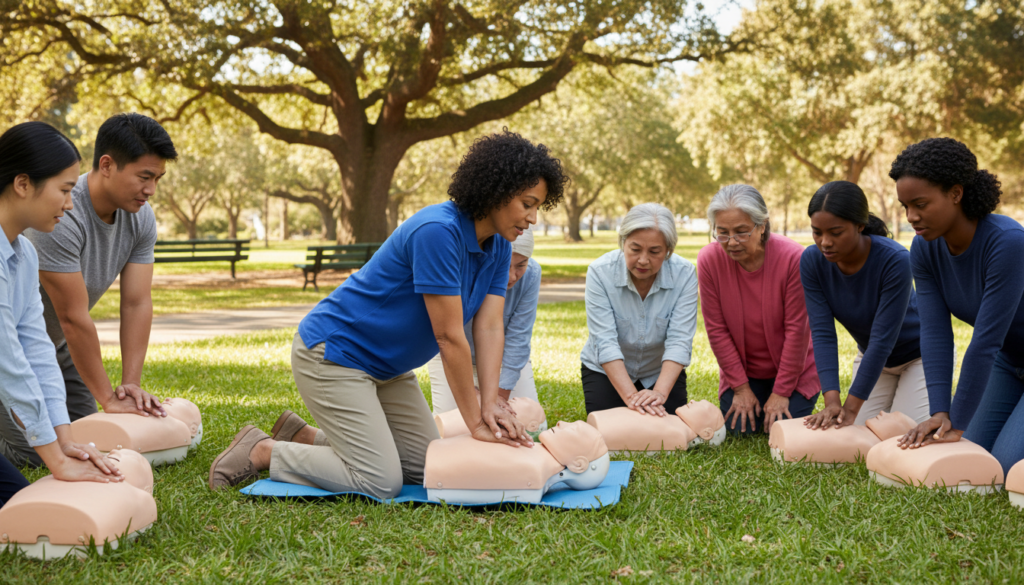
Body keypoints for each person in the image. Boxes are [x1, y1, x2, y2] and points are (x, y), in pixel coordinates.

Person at [208, 130, 568, 497]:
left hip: (389, 370)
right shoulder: (438, 232)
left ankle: (304, 436)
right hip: (334, 355)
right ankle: (265, 450)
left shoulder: (498, 247)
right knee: (380, 481)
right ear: (497, 190)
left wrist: (490, 402)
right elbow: (448, 337)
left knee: (424, 468)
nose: (533, 217)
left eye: (537, 206)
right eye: (527, 203)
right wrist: (475, 421)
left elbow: (490, 328)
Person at [7, 114, 178, 467]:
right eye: (144, 177)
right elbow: (70, 318)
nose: (151, 190)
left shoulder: (141, 218)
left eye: (157, 179)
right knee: (34, 452)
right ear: (107, 165)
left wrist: (129, 387)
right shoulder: (56, 220)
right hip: (16, 351)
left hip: (53, 346)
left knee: (87, 435)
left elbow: (135, 302)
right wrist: (106, 399)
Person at [0, 121, 123, 498]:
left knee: (12, 501)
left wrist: (65, 440)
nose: (70, 204)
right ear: (23, 184)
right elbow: (9, 362)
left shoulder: (25, 254)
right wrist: (55, 459)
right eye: (65, 190)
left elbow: (37, 348)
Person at [891, 138, 1024, 476]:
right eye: (905, 206)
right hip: (1008, 363)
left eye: (920, 204)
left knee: (1007, 466)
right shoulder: (923, 249)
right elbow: (935, 333)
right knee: (976, 457)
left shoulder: (1007, 242)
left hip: (995, 351)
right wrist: (941, 413)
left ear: (955, 193)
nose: (911, 217)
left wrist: (958, 419)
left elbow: (984, 341)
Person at [801, 181, 928, 430]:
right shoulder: (812, 261)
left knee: (901, 433)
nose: (825, 242)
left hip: (920, 357)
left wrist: (850, 408)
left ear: (859, 225)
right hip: (874, 360)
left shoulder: (895, 260)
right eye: (817, 232)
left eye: (835, 233)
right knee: (855, 432)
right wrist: (832, 402)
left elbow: (882, 339)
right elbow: (823, 333)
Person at [698, 184, 820, 435]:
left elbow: (797, 331)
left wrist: (782, 392)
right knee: (738, 429)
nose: (731, 242)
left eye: (741, 232)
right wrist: (741, 389)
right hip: (744, 373)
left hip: (794, 372)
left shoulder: (794, 258)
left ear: (762, 225)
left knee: (781, 429)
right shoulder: (709, 260)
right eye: (722, 233)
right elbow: (717, 330)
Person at [580, 203, 699, 417]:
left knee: (671, 431)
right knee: (611, 433)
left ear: (669, 251)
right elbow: (605, 341)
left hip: (659, 372)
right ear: (623, 243)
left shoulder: (685, 274)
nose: (643, 260)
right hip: (606, 372)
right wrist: (632, 399)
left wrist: (660, 393)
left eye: (655, 252)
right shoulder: (599, 272)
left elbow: (680, 340)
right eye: (635, 249)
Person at [427, 226, 541, 413]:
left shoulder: (532, 274)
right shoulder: (461, 270)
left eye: (521, 265)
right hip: (450, 354)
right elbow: (447, 334)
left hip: (503, 359)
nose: (511, 277)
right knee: (451, 429)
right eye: (505, 265)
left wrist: (500, 397)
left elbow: (519, 338)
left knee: (531, 421)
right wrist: (468, 390)